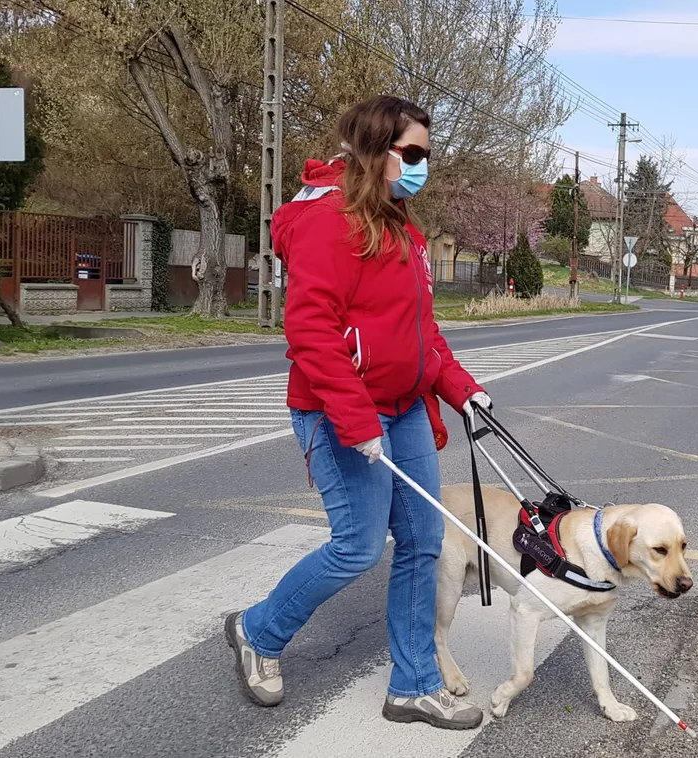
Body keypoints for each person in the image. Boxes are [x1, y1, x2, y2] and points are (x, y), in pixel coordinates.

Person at [224, 95, 489, 730]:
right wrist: (357, 420)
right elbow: (311, 331)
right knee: (358, 547)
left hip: (405, 407)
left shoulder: (404, 228)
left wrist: (462, 388)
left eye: (427, 154)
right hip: (341, 410)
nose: (422, 166)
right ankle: (258, 631)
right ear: (375, 149)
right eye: (413, 153)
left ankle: (414, 686)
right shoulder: (328, 222)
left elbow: (421, 332)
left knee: (424, 541)